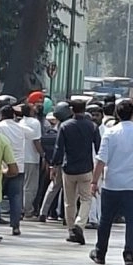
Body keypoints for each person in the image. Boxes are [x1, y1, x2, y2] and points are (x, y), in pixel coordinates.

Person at [89, 100, 133, 265]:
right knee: (132, 222)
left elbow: (101, 160)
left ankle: (100, 252)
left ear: (117, 114)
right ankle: (129, 255)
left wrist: (94, 182)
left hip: (112, 184)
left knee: (106, 220)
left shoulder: (110, 133)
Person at [51, 99, 101, 245]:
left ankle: (72, 229)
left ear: (72, 110)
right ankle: (80, 224)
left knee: (69, 201)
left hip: (69, 168)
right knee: (86, 199)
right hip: (86, 168)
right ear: (85, 110)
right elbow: (99, 148)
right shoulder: (92, 126)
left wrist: (54, 166)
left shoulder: (65, 126)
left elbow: (58, 148)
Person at [0, 104, 35, 235]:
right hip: (18, 167)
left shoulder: (0, 127)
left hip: (3, 166)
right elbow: (32, 133)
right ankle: (16, 226)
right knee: (16, 196)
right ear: (13, 115)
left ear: (1, 116)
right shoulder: (20, 127)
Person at [38, 104, 71, 223]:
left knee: (53, 188)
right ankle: (67, 216)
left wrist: (53, 164)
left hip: (59, 162)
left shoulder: (59, 126)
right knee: (69, 191)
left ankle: (43, 212)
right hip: (68, 162)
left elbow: (58, 148)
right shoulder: (68, 125)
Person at [20, 103, 44, 219]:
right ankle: (28, 211)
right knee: (31, 186)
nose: (35, 108)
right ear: (30, 111)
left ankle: (22, 208)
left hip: (21, 157)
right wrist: (43, 155)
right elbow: (36, 141)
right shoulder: (35, 123)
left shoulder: (21, 122)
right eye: (32, 107)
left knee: (23, 184)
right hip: (31, 158)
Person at [0, 132, 19, 242]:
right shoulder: (2, 139)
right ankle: (15, 226)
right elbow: (13, 170)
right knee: (15, 196)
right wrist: (4, 173)